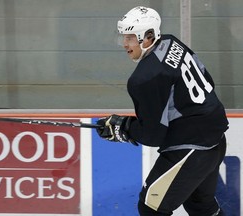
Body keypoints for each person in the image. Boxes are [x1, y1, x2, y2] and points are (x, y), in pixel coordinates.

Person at [96, 6, 229, 216]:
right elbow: (207, 81)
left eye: (131, 37)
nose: (125, 44)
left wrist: (124, 128)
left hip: (192, 149)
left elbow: (153, 134)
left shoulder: (144, 78)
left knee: (151, 208)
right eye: (124, 37)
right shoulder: (171, 43)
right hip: (216, 139)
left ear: (148, 37)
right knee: (200, 206)